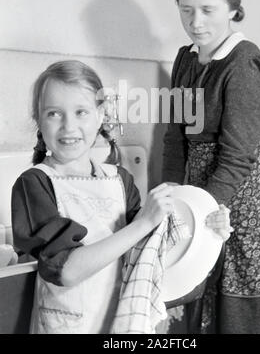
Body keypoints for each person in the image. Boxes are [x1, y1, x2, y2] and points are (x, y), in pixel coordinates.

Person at [11, 59, 232, 334]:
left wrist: (207, 231)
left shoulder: (119, 180)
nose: (68, 126)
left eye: (81, 112)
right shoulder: (35, 183)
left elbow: (153, 253)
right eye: (54, 113)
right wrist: (142, 223)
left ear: (101, 115)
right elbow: (66, 270)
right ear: (39, 120)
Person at [162, 0, 260, 334]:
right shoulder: (184, 60)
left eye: (207, 9)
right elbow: (175, 136)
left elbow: (238, 156)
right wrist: (171, 195)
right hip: (200, 193)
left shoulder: (245, 64)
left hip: (246, 197)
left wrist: (203, 211)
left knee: (242, 303)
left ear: (233, 6)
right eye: (186, 9)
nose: (195, 22)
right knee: (198, 285)